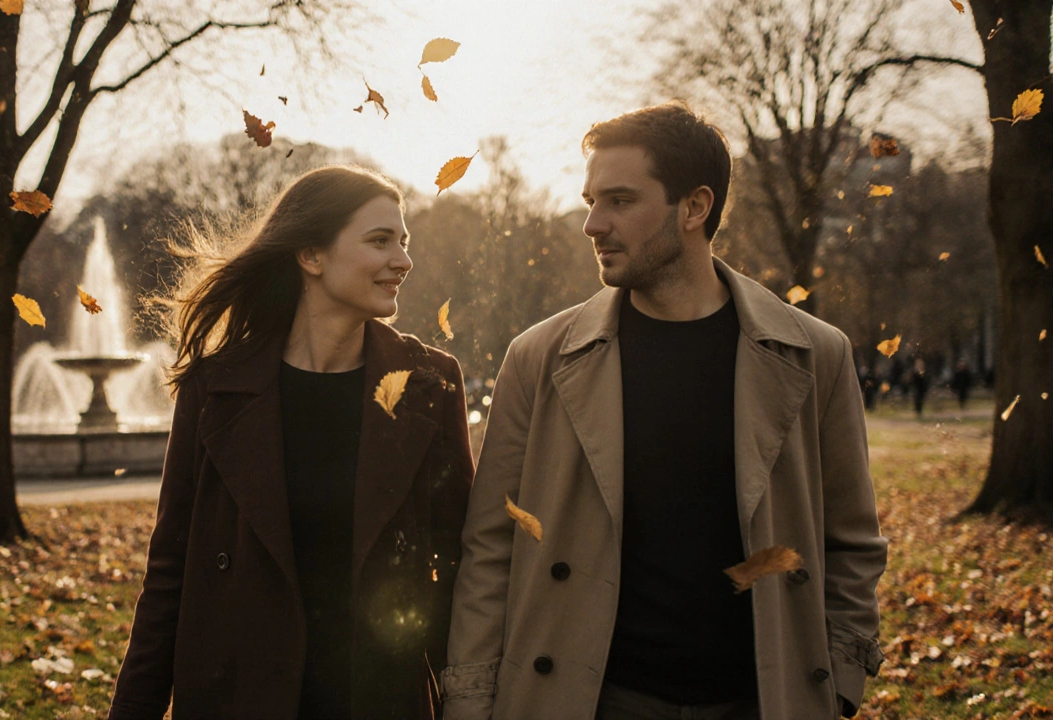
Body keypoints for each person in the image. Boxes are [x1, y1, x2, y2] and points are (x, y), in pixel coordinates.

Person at [440, 102, 887, 720]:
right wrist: (471, 699)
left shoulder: (815, 354)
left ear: (694, 207)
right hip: (587, 700)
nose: (592, 223)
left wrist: (836, 681)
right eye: (590, 200)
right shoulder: (538, 358)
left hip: (764, 699)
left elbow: (852, 542)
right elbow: (491, 547)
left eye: (620, 201)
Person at [109, 166, 474, 720]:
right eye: (380, 241)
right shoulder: (216, 386)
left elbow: (460, 562)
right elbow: (171, 569)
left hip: (378, 697)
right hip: (238, 694)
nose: (403, 260)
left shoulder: (430, 383)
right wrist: (134, 708)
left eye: (404, 242)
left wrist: (470, 699)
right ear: (311, 255)